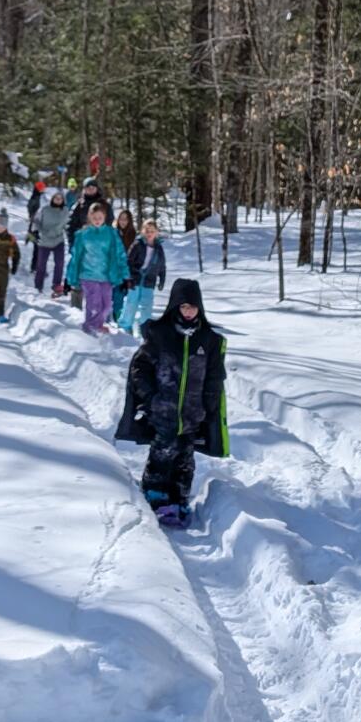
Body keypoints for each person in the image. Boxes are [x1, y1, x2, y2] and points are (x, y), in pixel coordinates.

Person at [114, 277, 229, 517]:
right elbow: (140, 368)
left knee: (184, 458)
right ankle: (154, 495)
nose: (188, 312)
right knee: (162, 452)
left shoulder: (208, 340)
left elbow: (215, 376)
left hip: (192, 413)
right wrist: (150, 397)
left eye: (193, 307)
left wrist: (207, 404)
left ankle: (178, 499)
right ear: (175, 307)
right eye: (184, 306)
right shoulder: (160, 335)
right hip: (162, 409)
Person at [65, 200, 129, 333]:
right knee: (94, 304)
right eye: (94, 218)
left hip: (106, 275)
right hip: (88, 275)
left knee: (106, 306)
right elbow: (75, 257)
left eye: (100, 218)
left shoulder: (111, 234)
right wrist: (69, 277)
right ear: (89, 217)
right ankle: (91, 327)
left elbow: (120, 254)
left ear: (105, 217)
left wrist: (125, 276)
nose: (97, 220)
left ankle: (95, 325)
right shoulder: (83, 234)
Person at [122, 217, 166, 336]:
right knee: (131, 303)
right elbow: (128, 261)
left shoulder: (158, 248)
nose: (149, 234)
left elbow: (162, 266)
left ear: (156, 232)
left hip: (149, 281)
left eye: (152, 231)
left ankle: (144, 328)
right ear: (142, 231)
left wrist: (162, 279)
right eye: (147, 231)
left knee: (147, 305)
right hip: (135, 279)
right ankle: (126, 326)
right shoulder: (137, 244)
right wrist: (128, 278)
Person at [32, 189, 69, 296]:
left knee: (60, 263)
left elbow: (67, 225)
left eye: (60, 199)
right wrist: (36, 232)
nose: (58, 200)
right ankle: (38, 286)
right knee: (41, 265)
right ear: (52, 199)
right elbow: (36, 221)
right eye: (56, 198)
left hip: (58, 240)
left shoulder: (65, 211)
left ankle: (56, 285)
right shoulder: (45, 209)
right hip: (45, 240)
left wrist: (70, 236)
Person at [112, 207, 137, 326]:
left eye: (125, 219)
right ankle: (111, 317)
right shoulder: (113, 232)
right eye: (121, 219)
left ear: (129, 221)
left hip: (126, 271)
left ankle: (118, 318)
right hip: (112, 269)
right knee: (112, 295)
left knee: (120, 295)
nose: (123, 221)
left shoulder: (132, 235)